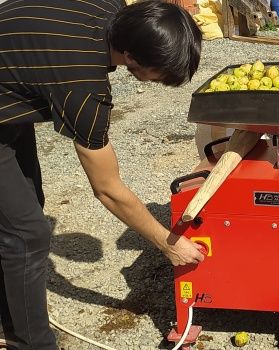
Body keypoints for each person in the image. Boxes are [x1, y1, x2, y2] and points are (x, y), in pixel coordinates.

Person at [0, 1, 204, 348]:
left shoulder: (112, 9)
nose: (160, 83)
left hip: (11, 87)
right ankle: (28, 342)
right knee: (26, 233)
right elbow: (107, 189)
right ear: (131, 57)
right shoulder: (83, 83)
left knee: (24, 206)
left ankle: (11, 311)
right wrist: (168, 244)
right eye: (159, 74)